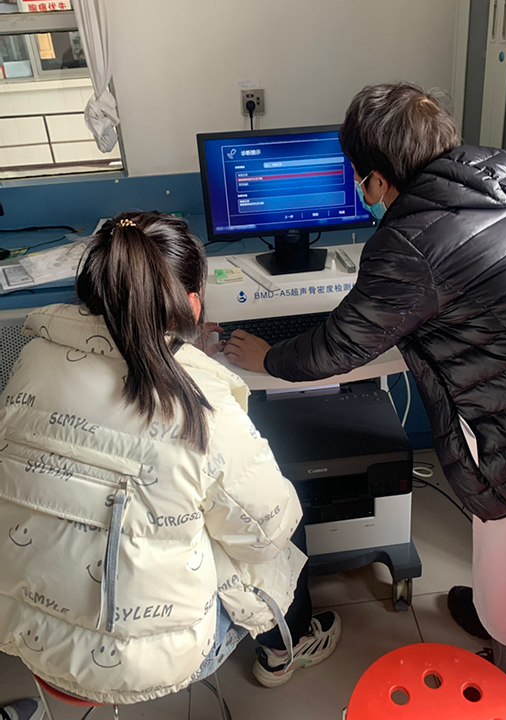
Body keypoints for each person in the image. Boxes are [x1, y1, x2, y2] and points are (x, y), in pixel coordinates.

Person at [223, 82, 506, 720]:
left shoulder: (410, 241)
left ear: (374, 180)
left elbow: (340, 347)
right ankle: (505, 626)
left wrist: (267, 357)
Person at [0, 212, 340, 705]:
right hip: (145, 661)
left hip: (25, 629)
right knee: (278, 522)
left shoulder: (32, 359)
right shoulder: (200, 400)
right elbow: (267, 532)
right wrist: (193, 362)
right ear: (193, 304)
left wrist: (179, 346)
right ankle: (286, 647)